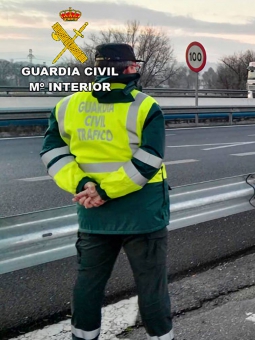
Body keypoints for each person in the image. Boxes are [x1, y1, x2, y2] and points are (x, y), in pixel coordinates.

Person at [40, 43, 173, 340]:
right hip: (143, 215)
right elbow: (150, 158)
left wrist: (83, 186)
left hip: (93, 214)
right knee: (151, 286)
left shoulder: (67, 106)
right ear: (128, 69)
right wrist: (105, 190)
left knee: (88, 285)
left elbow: (52, 153)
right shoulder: (145, 106)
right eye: (133, 66)